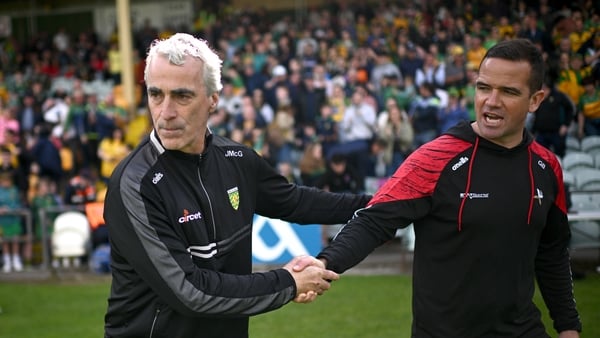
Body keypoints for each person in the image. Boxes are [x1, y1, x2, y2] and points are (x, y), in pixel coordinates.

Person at [103, 33, 370, 338]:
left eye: (182, 96)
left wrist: (375, 203)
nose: (166, 112)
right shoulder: (136, 184)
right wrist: (289, 282)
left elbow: (295, 201)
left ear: (213, 99)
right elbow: (190, 291)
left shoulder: (236, 160)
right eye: (156, 95)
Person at [312, 39, 582, 337]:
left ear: (535, 100)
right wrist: (324, 262)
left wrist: (568, 326)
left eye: (508, 91)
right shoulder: (435, 158)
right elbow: (375, 219)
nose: (491, 100)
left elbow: (552, 252)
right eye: (483, 87)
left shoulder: (546, 166)